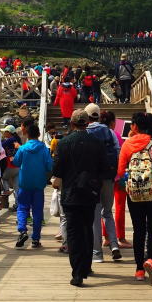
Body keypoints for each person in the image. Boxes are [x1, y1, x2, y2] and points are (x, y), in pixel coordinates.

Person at [52, 109, 112, 287]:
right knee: (87, 229)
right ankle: (86, 267)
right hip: (90, 193)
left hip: (70, 193)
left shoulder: (64, 143)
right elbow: (105, 169)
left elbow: (57, 170)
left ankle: (77, 272)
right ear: (87, 124)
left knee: (74, 233)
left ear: (71, 123)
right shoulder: (97, 142)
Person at [117, 112, 152, 286]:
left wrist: (129, 182)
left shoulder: (127, 144)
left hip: (134, 194)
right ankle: (151, 260)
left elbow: (120, 171)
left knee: (138, 230)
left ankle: (139, 269)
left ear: (133, 126)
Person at [84, 104, 122, 262]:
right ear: (99, 115)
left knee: (94, 215)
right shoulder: (110, 132)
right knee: (107, 212)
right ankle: (114, 244)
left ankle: (97, 253)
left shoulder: (85, 132)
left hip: (91, 178)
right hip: (108, 176)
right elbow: (118, 151)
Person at [13, 123, 52, 249]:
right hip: (39, 184)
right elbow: (49, 166)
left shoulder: (23, 149)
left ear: (27, 134)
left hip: (24, 183)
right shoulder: (45, 149)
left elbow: (16, 162)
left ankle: (22, 230)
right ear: (39, 134)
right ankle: (35, 238)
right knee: (37, 211)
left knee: (22, 208)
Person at [101, 110, 132, 249]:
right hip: (117, 175)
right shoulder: (117, 136)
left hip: (103, 175)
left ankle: (106, 237)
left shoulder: (97, 135)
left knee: (104, 207)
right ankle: (121, 237)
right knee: (119, 207)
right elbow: (121, 157)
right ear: (113, 122)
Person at [0, 125, 20, 211]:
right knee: (16, 188)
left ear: (9, 132)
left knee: (3, 177)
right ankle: (18, 204)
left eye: (5, 132)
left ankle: (6, 189)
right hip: (18, 166)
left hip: (10, 165)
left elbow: (0, 145)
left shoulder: (9, 140)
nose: (4, 133)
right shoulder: (17, 139)